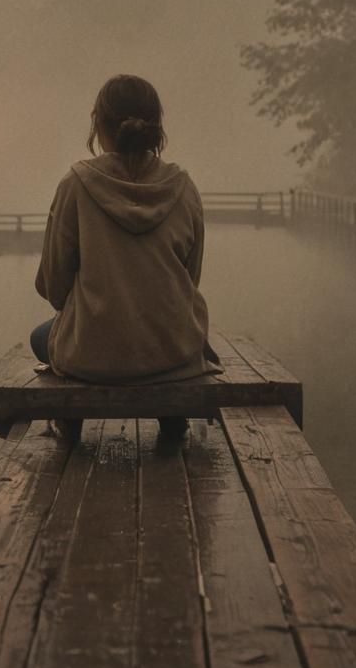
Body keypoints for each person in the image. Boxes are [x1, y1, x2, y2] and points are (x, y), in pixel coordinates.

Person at [30, 74, 219, 442]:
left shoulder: (76, 185)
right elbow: (190, 279)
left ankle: (70, 422)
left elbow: (53, 286)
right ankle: (171, 419)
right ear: (156, 126)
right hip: (173, 353)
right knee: (169, 329)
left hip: (92, 358)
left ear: (98, 123)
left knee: (42, 338)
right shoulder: (182, 186)